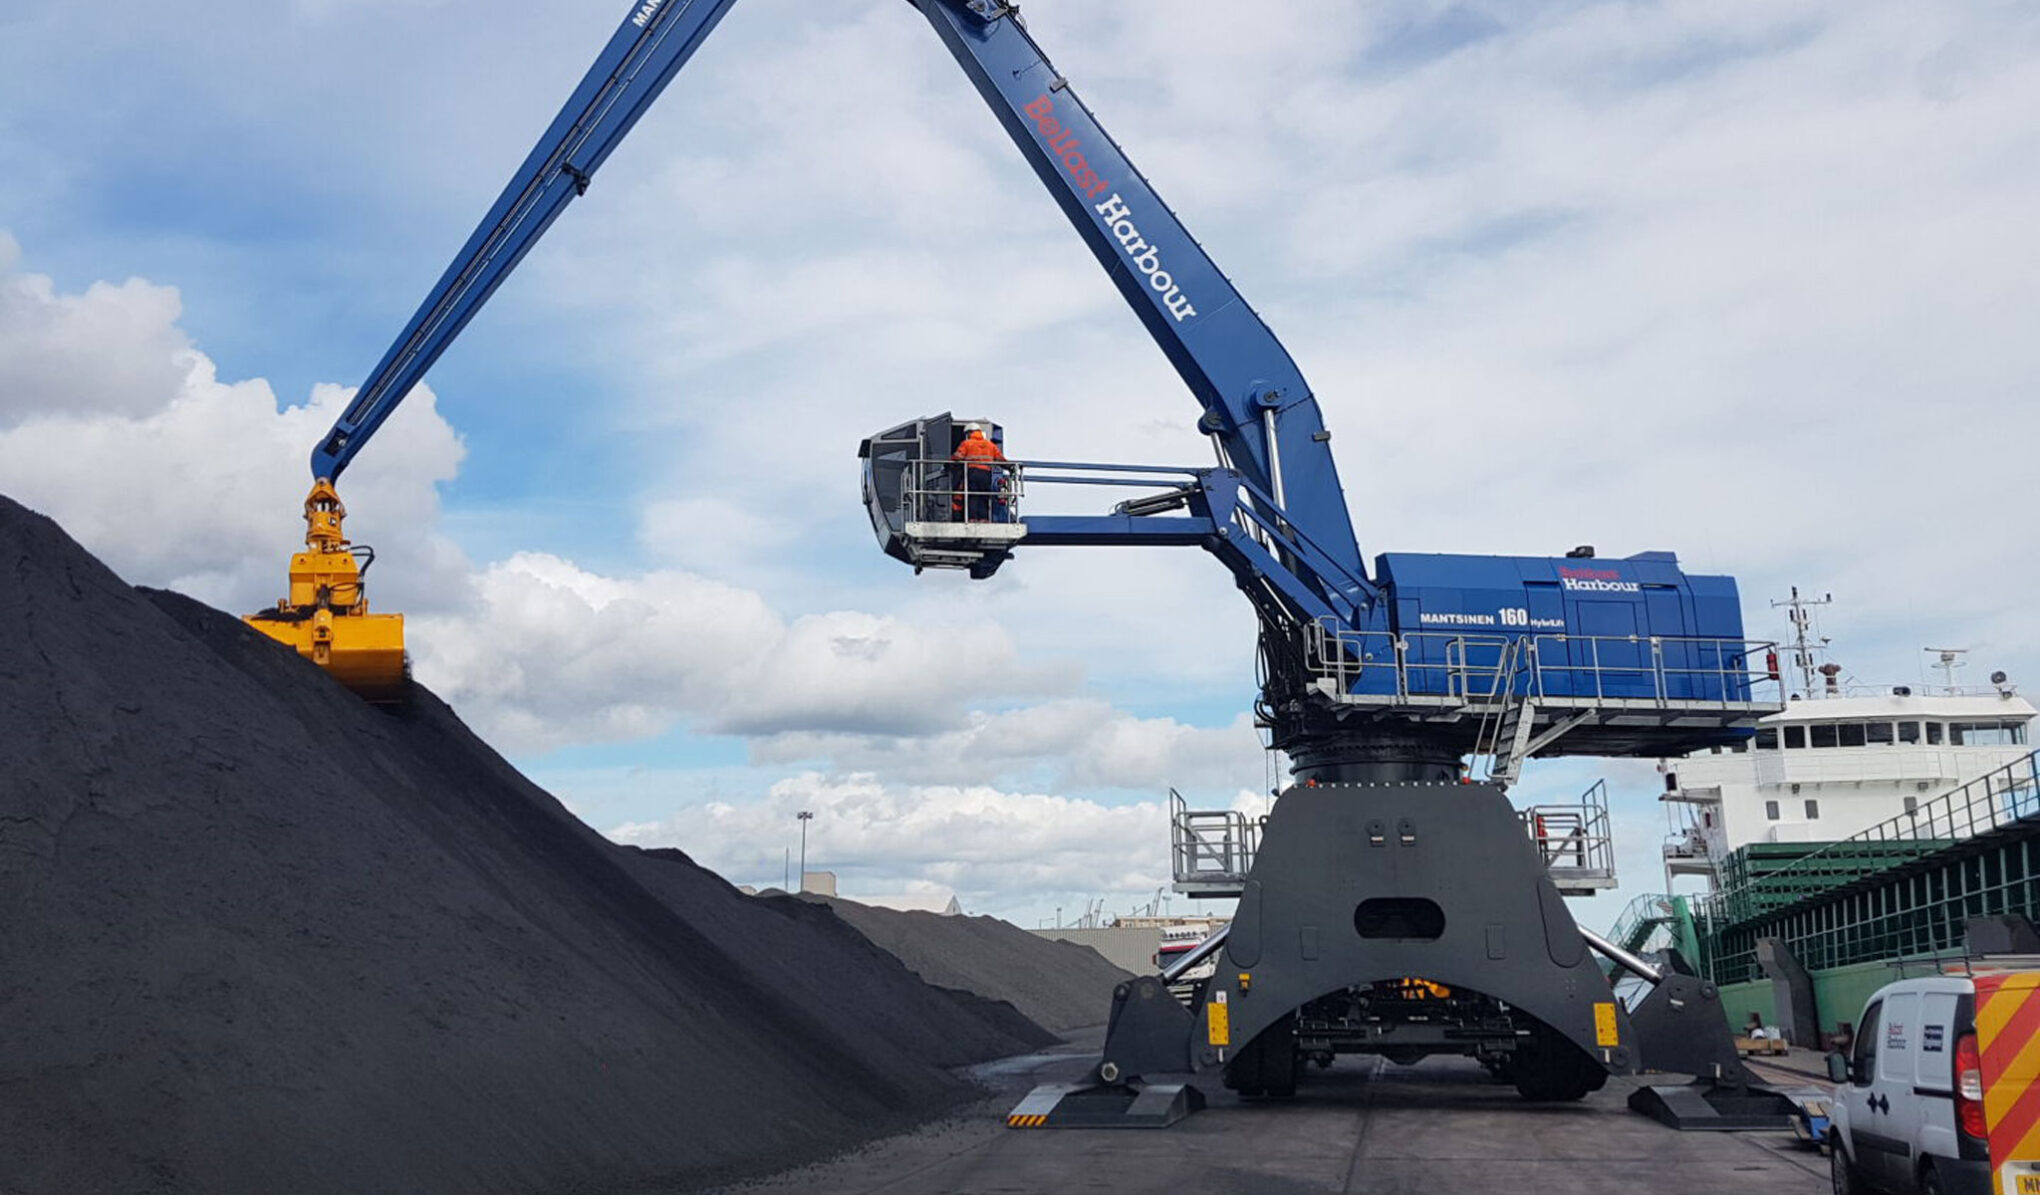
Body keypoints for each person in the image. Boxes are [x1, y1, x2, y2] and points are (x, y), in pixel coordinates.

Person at [950, 425, 1007, 522]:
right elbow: (1000, 459)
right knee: (984, 495)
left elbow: (958, 456)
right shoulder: (990, 445)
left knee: (973, 496)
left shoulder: (967, 443)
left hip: (973, 472)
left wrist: (949, 463)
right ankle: (984, 519)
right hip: (986, 474)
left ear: (969, 433)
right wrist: (1009, 467)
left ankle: (972, 518)